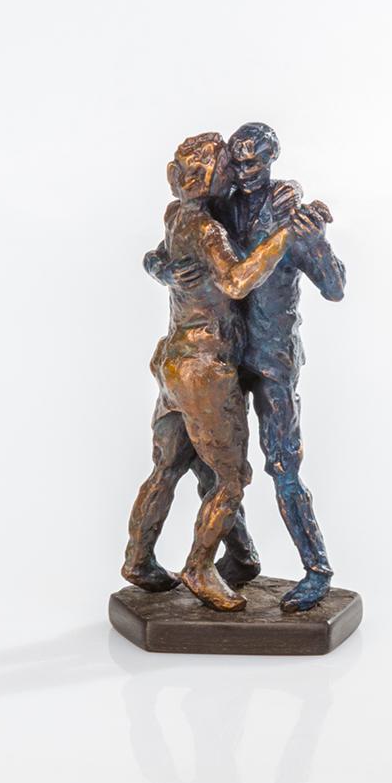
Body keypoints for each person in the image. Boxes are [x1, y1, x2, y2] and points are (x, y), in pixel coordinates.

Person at [145, 123, 346, 612]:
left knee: (282, 466)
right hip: (220, 358)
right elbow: (161, 251)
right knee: (213, 465)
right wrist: (164, 271)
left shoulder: (291, 216)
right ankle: (239, 556)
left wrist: (316, 242)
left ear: (271, 161)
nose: (243, 172)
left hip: (272, 360)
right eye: (235, 163)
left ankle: (316, 569)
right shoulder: (215, 209)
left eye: (253, 162)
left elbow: (335, 287)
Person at [123, 132, 301, 611]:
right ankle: (200, 568)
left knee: (171, 465)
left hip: (173, 360)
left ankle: (144, 559)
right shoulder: (207, 230)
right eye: (226, 168)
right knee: (230, 478)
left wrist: (158, 267)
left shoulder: (174, 215)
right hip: (205, 367)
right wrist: (287, 234)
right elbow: (238, 282)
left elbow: (158, 256)